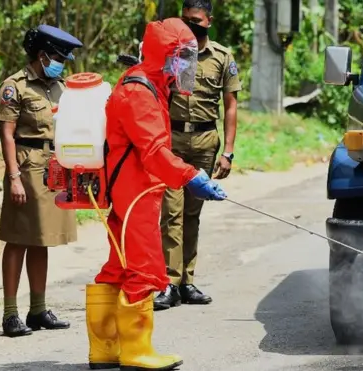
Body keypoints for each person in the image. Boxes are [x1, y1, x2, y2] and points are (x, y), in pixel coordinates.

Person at [84, 18, 227, 370]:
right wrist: (191, 175)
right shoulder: (139, 91)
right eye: (182, 57)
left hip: (133, 189)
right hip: (135, 193)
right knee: (146, 268)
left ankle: (104, 349)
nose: (187, 66)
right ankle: (136, 350)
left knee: (119, 265)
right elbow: (153, 151)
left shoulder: (147, 83)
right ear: (165, 55)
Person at [0, 25, 83, 338]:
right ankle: (10, 314)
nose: (62, 62)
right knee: (18, 237)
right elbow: (7, 132)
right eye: (58, 56)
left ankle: (38, 309)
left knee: (42, 238)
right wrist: (14, 177)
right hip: (26, 165)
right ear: (42, 55)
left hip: (55, 166)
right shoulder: (14, 85)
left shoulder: (59, 86)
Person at [155, 0, 242, 311]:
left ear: (209, 21)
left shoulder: (222, 56)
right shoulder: (174, 54)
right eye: (186, 19)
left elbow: (230, 105)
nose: (191, 24)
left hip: (205, 140)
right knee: (171, 213)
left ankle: (186, 282)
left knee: (192, 214)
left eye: (197, 20)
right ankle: (168, 281)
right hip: (173, 139)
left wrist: (228, 152)